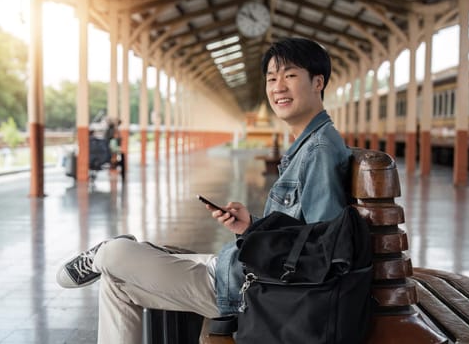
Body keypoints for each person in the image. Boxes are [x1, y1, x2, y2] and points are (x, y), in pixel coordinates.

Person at [56, 37, 352, 344]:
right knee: (115, 281)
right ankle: (123, 252)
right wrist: (252, 225)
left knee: (116, 256)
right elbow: (301, 233)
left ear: (318, 82)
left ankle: (104, 253)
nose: (278, 87)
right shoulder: (311, 144)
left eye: (290, 76)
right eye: (272, 78)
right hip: (241, 268)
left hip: (251, 288)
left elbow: (323, 247)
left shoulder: (319, 149)